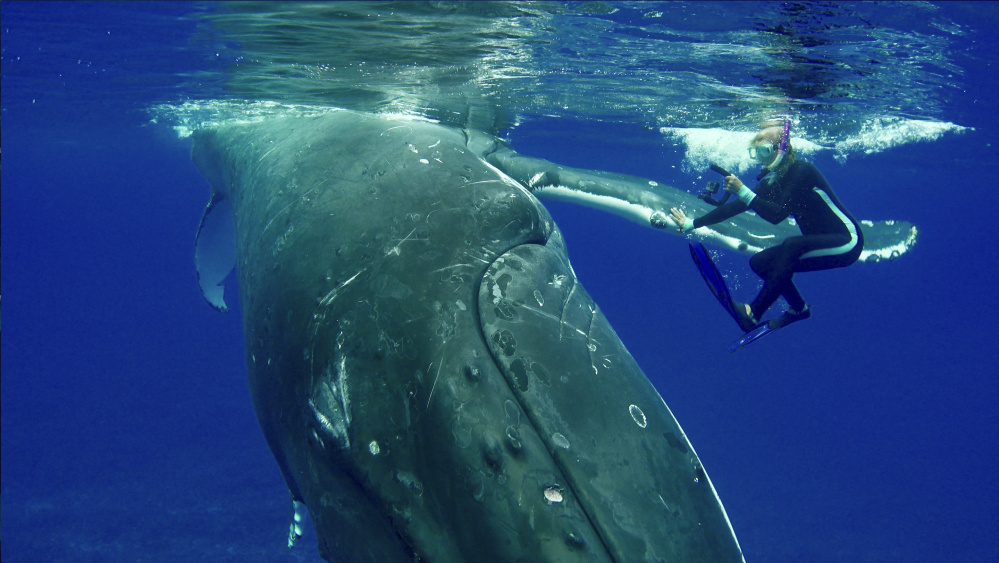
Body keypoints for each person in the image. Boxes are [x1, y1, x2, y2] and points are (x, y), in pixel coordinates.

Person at [669, 121, 864, 332]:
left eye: (765, 150)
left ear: (782, 149)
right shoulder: (773, 181)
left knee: (791, 245)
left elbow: (776, 215)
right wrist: (692, 223)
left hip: (848, 242)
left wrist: (743, 190)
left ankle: (752, 314)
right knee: (760, 262)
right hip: (821, 245)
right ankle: (798, 309)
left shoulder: (803, 171)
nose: (762, 158)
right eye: (756, 152)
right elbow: (734, 208)